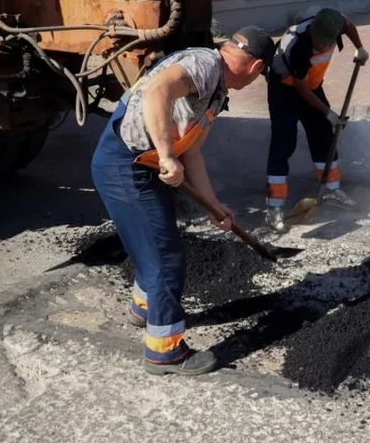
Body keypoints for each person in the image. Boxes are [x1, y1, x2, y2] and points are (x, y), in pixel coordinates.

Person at [90, 26, 276, 376]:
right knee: (165, 256)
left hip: (141, 165)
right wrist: (165, 156)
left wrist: (213, 205)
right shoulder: (205, 65)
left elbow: (191, 153)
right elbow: (157, 88)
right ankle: (165, 351)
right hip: (124, 164)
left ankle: (145, 309)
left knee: (154, 243)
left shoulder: (217, 90)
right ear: (256, 68)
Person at [265, 8, 369, 232]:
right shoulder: (298, 46)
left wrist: (359, 48)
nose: (322, 46)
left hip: (311, 85)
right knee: (284, 142)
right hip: (284, 89)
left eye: (326, 43)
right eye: (319, 41)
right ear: (312, 30)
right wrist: (328, 113)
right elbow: (301, 92)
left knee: (323, 136)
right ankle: (274, 208)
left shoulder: (335, 22)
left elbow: (348, 23)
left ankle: (331, 190)